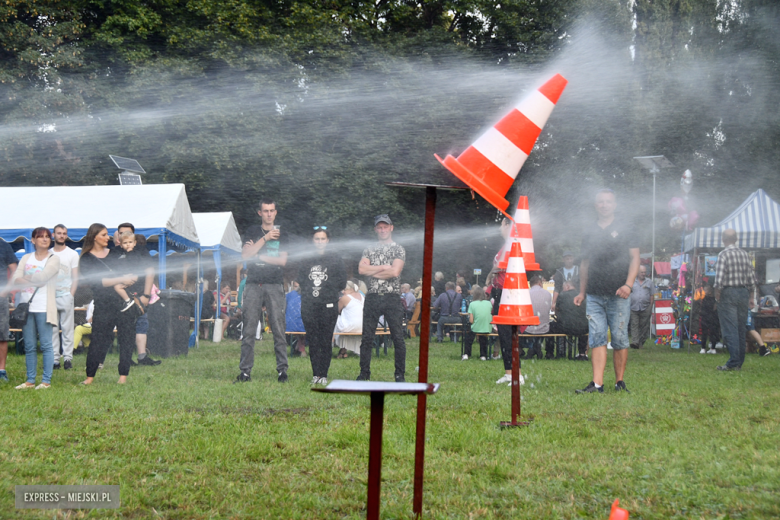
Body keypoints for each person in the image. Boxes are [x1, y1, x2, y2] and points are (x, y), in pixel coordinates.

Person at [574, 189, 640, 393]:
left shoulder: (627, 227)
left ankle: (619, 382)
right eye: (600, 202)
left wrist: (628, 285)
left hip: (619, 294)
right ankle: (597, 384)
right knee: (597, 337)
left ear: (615, 204)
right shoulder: (589, 231)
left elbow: (635, 258)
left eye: (608, 202)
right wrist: (582, 292)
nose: (604, 205)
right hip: (594, 294)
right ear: (596, 206)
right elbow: (584, 265)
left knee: (619, 339)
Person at [79, 224, 150, 385]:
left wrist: (134, 279)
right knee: (98, 340)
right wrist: (120, 280)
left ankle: (123, 377)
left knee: (126, 339)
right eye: (104, 235)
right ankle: (90, 376)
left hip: (123, 303)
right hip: (103, 305)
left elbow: (135, 263)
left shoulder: (116, 252)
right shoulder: (86, 259)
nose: (108, 238)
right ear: (94, 237)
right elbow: (98, 282)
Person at [238, 198, 289, 383]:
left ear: (276, 212)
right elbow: (245, 255)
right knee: (249, 328)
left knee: (278, 328)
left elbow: (282, 261)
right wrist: (265, 239)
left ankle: (282, 371)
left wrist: (258, 253)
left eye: (272, 210)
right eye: (265, 210)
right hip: (253, 284)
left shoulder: (283, 233)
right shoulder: (252, 231)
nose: (269, 214)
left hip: (274, 284)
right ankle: (245, 372)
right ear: (260, 212)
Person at [356, 214, 407, 382]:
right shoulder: (369, 249)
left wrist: (374, 270)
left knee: (398, 337)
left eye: (385, 226)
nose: (383, 229)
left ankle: (399, 375)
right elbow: (361, 270)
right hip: (372, 297)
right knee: (367, 338)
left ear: (391, 228)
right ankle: (364, 373)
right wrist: (383, 267)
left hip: (392, 297)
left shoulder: (398, 248)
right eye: (380, 227)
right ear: (375, 229)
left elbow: (395, 272)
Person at [8, 227, 60, 389]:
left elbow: (44, 278)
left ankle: (46, 381)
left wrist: (26, 278)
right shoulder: (26, 257)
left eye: (47, 237)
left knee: (45, 345)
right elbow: (16, 279)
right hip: (26, 307)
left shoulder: (53, 258)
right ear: (33, 240)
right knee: (29, 345)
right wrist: (32, 279)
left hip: (44, 306)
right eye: (40, 237)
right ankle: (30, 380)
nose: (44, 239)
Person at [297, 228, 346, 385]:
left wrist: (326, 289)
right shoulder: (306, 259)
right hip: (309, 305)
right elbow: (302, 280)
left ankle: (323, 374)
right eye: (317, 239)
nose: (319, 242)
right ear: (313, 241)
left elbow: (342, 282)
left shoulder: (335, 258)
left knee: (325, 340)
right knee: (313, 339)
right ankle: (315, 374)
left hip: (328, 305)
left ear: (328, 241)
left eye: (322, 239)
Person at [714, 228, 758, 370]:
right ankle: (739, 362)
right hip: (743, 293)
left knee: (730, 329)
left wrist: (717, 294)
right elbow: (751, 278)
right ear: (736, 239)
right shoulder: (745, 254)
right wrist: (751, 296)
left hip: (728, 293)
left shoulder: (723, 254)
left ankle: (733, 362)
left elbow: (719, 279)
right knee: (741, 328)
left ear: (723, 239)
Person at [490, 217, 524, 385]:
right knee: (503, 335)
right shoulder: (505, 246)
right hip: (499, 292)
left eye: (502, 224)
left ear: (508, 226)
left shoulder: (513, 244)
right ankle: (509, 372)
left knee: (509, 335)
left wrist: (496, 269)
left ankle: (517, 374)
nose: (499, 228)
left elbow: (507, 266)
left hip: (508, 293)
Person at [50, 224, 79, 370]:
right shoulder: (47, 253)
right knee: (52, 329)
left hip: (66, 295)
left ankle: (67, 358)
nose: (62, 236)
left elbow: (75, 278)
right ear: (53, 235)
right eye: (59, 233)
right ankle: (55, 360)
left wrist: (71, 295)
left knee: (68, 329)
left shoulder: (72, 254)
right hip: (50, 296)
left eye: (64, 233)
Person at [550, 281, 589, 360]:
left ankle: (553, 352)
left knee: (550, 326)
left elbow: (556, 310)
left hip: (565, 327)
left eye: (563, 287)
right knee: (583, 325)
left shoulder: (562, 295)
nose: (563, 289)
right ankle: (582, 353)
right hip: (583, 328)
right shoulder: (582, 296)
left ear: (567, 286)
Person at [522, 274, 553, 360]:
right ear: (539, 283)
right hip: (544, 327)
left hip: (528, 327)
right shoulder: (548, 294)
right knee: (550, 326)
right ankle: (544, 351)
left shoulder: (526, 294)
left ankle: (531, 350)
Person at [0, 238, 18, 382]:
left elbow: (14, 270)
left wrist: (6, 290)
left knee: (2, 335)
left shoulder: (4, 245)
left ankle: (1, 370)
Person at [334, 279, 364, 357]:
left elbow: (337, 310)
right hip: (363, 326)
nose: (343, 292)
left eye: (345, 289)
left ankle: (332, 346)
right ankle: (343, 350)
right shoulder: (362, 296)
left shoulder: (345, 298)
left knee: (334, 319)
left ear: (351, 289)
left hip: (351, 326)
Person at [463, 285, 492, 360]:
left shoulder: (472, 304)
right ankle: (483, 355)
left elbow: (471, 321)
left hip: (476, 327)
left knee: (468, 337)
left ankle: (467, 353)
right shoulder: (489, 303)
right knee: (483, 338)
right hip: (487, 327)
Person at [629, 265, 654, 349]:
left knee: (644, 326)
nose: (643, 274)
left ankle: (641, 342)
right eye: (642, 272)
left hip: (646, 307)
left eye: (644, 272)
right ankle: (635, 342)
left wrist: (650, 306)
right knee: (634, 325)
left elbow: (652, 295)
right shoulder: (632, 281)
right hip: (633, 307)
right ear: (637, 273)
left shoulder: (649, 282)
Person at [698, 284, 719, 354]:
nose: (703, 291)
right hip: (712, 318)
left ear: (709, 292)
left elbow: (702, 309)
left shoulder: (704, 300)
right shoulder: (714, 300)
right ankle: (712, 348)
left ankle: (703, 348)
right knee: (712, 333)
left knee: (705, 333)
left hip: (707, 317)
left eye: (705, 290)